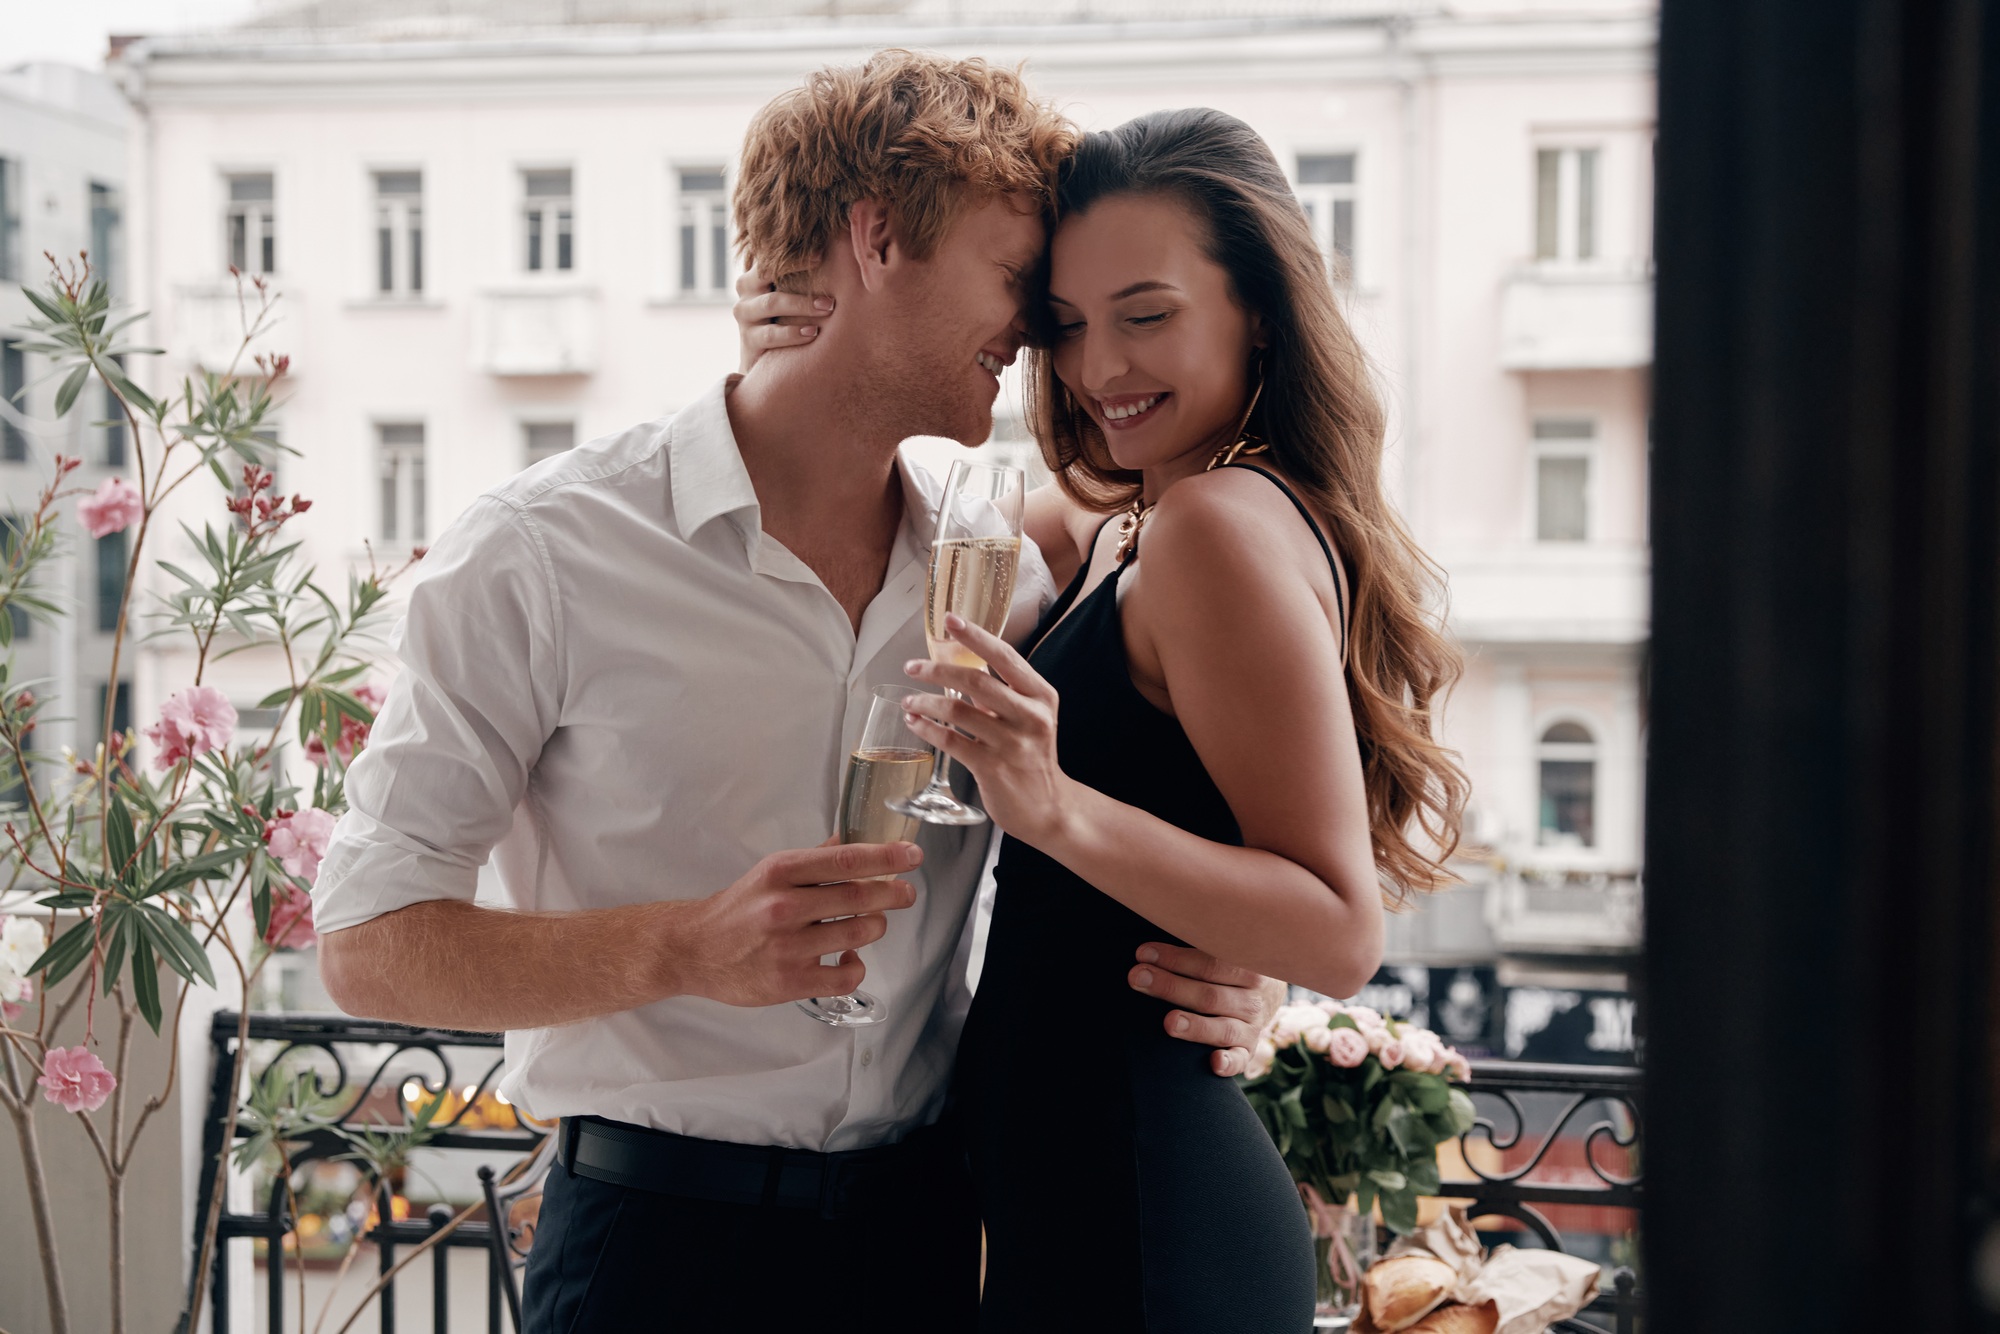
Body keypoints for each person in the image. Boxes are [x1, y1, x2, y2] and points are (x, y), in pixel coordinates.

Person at [311, 57, 1280, 1334]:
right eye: (1013, 278)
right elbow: (367, 943)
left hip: (929, 1246)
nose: (1038, 329)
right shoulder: (540, 552)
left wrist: (1251, 970)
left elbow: (1197, 731)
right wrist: (683, 945)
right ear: (876, 238)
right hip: (654, 1256)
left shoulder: (991, 573)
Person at [738, 108, 1468, 1330]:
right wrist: (786, 355)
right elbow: (909, 520)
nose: (1097, 369)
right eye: (1064, 327)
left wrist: (1057, 809)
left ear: (1258, 305)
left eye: (1146, 314)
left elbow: (1338, 930)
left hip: (1142, 1218)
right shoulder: (1133, 516)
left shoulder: (1213, 527)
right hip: (1081, 1194)